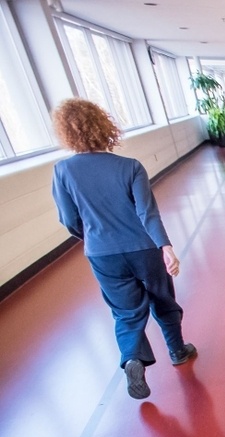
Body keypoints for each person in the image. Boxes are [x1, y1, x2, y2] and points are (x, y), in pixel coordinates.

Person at [50, 98, 196, 401]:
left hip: (102, 254)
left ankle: (132, 360)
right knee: (163, 300)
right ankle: (178, 350)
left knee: (126, 312)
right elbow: (148, 213)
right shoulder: (130, 167)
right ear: (105, 128)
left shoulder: (63, 170)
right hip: (144, 248)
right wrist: (165, 247)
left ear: (66, 133)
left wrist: (92, 238)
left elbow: (69, 220)